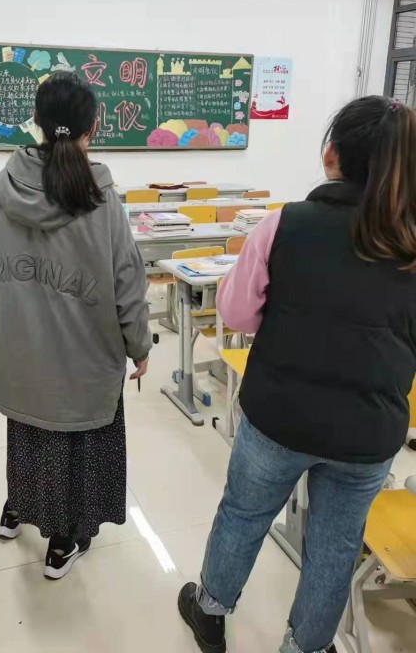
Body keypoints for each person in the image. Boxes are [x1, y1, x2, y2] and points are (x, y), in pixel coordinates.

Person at [178, 96, 416, 653]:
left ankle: (210, 612)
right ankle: (305, 646)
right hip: (368, 430)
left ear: (331, 155)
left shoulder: (284, 225)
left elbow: (237, 315)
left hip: (279, 416)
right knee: (336, 545)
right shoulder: (409, 242)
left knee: (243, 514)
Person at [0, 71, 151, 579]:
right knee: (77, 445)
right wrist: (139, 344)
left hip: (22, 349)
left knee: (28, 432)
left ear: (35, 120)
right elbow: (127, 280)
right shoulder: (100, 196)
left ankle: (17, 507)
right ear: (92, 126)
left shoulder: (2, 187)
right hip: (84, 357)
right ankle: (63, 541)